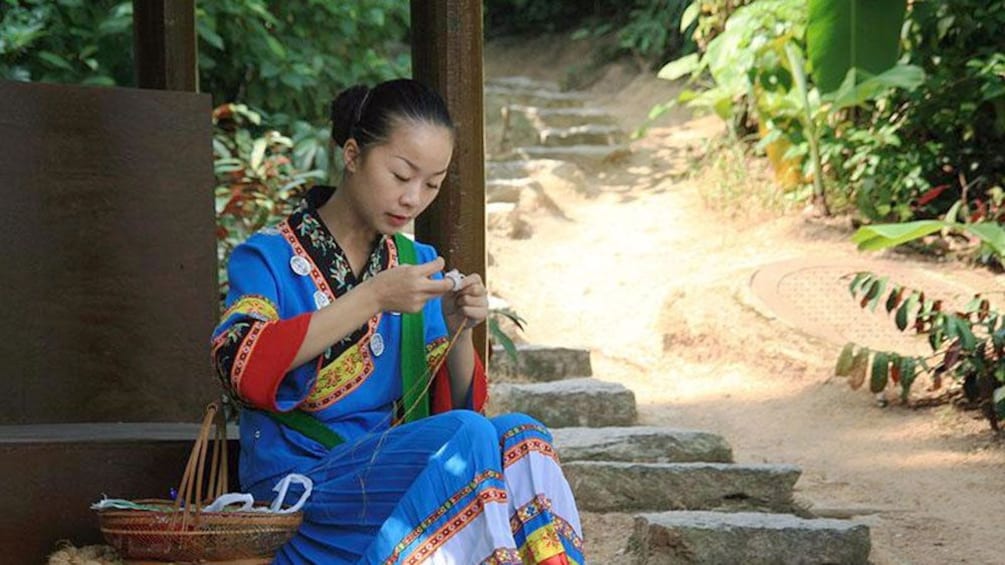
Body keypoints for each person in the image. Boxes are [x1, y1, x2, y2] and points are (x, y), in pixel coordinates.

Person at [211, 78, 585, 565]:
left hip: (393, 488)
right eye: (401, 174)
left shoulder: (415, 261)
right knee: (469, 436)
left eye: (431, 183)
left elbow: (453, 407)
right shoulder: (267, 257)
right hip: (297, 497)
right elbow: (236, 364)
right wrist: (372, 297)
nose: (413, 198)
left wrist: (459, 331)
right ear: (352, 154)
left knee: (520, 434)